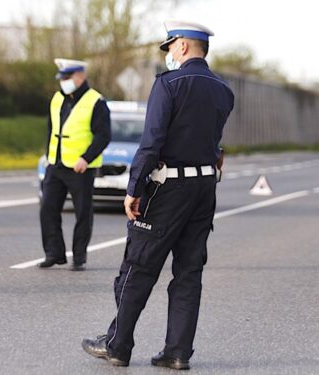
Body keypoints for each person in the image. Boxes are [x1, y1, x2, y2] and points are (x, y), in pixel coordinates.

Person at [81, 20, 235, 369]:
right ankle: (177, 352)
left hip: (167, 188)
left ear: (182, 46)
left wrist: (134, 188)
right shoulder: (223, 90)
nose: (168, 54)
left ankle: (118, 345)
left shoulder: (169, 84)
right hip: (204, 187)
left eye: (170, 47)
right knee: (189, 271)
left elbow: (151, 142)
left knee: (139, 267)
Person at [39, 58, 111, 272]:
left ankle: (79, 257)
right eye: (62, 78)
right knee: (48, 209)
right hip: (56, 164)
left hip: (81, 168)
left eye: (67, 77)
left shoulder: (95, 101)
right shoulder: (57, 99)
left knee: (82, 212)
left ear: (80, 76)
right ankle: (53, 253)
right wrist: (48, 156)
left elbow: (103, 136)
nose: (63, 82)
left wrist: (86, 158)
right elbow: (51, 130)